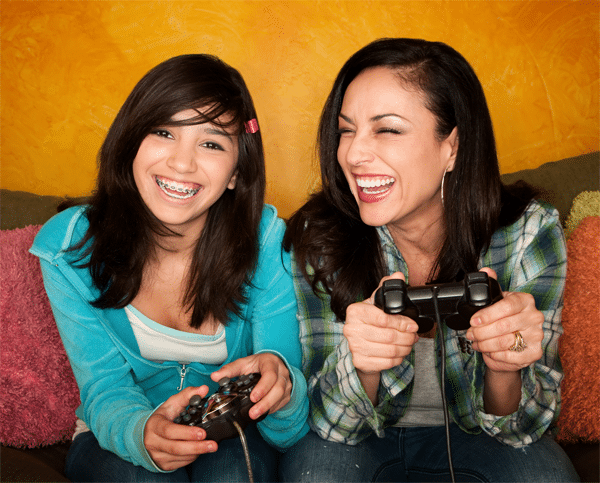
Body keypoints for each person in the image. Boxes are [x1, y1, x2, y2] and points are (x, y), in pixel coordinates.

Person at [280, 38, 579, 482]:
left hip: (481, 436)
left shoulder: (528, 233)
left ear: (452, 147)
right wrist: (361, 364)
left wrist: (505, 365)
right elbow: (330, 427)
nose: (354, 154)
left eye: (387, 129)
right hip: (363, 439)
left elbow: (525, 430)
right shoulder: (318, 237)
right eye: (347, 129)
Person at [30, 54, 308, 482]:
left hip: (232, 435)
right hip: (119, 431)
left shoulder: (268, 242)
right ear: (131, 143)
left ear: (236, 171)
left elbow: (288, 432)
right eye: (163, 132)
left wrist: (282, 388)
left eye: (212, 143)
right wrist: (142, 433)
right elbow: (104, 387)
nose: (182, 163)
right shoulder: (69, 249)